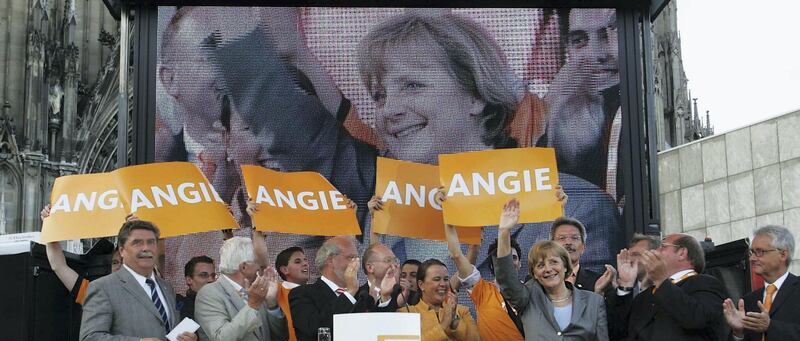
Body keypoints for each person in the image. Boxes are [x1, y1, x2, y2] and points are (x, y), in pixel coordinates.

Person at [206, 10, 622, 274]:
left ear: (475, 95)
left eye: (412, 85)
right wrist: (241, 42)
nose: (389, 111)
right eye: (382, 95)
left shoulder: (578, 209)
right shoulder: (385, 211)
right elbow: (303, 134)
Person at [495, 199, 610, 341]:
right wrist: (504, 232)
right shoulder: (529, 297)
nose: (547, 269)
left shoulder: (594, 302)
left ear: (566, 266)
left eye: (553, 262)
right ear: (535, 273)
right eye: (540, 265)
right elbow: (506, 279)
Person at [40, 204, 124, 341]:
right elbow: (58, 265)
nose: (118, 267)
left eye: (123, 262)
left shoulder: (145, 293)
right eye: (115, 262)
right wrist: (50, 228)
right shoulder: (93, 291)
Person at [608, 232, 727, 341]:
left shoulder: (706, 283)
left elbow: (696, 318)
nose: (656, 251)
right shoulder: (644, 297)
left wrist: (661, 280)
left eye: (662, 246)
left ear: (682, 253)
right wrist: (625, 285)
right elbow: (616, 332)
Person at [541, 8, 621, 201]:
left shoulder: (632, 110)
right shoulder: (557, 112)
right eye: (579, 40)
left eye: (605, 35)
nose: (596, 55)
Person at [445, 223, 525, 341]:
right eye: (502, 257)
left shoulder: (534, 292)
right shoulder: (482, 291)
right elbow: (456, 255)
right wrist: (449, 222)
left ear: (520, 263)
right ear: (493, 264)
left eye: (513, 257)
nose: (508, 261)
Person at [398, 259, 481, 341]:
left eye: (446, 279)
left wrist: (454, 322)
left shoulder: (462, 311)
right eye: (437, 279)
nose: (443, 284)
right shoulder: (407, 313)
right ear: (421, 285)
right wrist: (443, 325)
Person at [288, 236, 376, 341]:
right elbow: (315, 327)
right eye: (351, 258)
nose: (356, 264)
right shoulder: (302, 294)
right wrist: (349, 293)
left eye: (357, 259)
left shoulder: (361, 294)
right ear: (331, 260)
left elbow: (376, 326)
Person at [270, 245, 309, 341]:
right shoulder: (277, 291)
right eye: (298, 261)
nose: (305, 263)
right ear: (284, 270)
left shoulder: (314, 292)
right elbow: (260, 264)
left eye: (305, 260)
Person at [551, 216, 603, 292]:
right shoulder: (537, 280)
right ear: (551, 247)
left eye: (575, 238)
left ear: (583, 247)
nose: (568, 243)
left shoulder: (598, 281)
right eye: (562, 238)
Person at [357, 243, 408, 312]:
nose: (394, 266)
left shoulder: (402, 293)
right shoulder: (358, 296)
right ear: (370, 267)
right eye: (388, 260)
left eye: (395, 261)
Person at [178, 255, 217, 320]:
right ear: (189, 280)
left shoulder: (222, 304)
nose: (211, 280)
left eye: (213, 276)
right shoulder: (180, 308)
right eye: (204, 275)